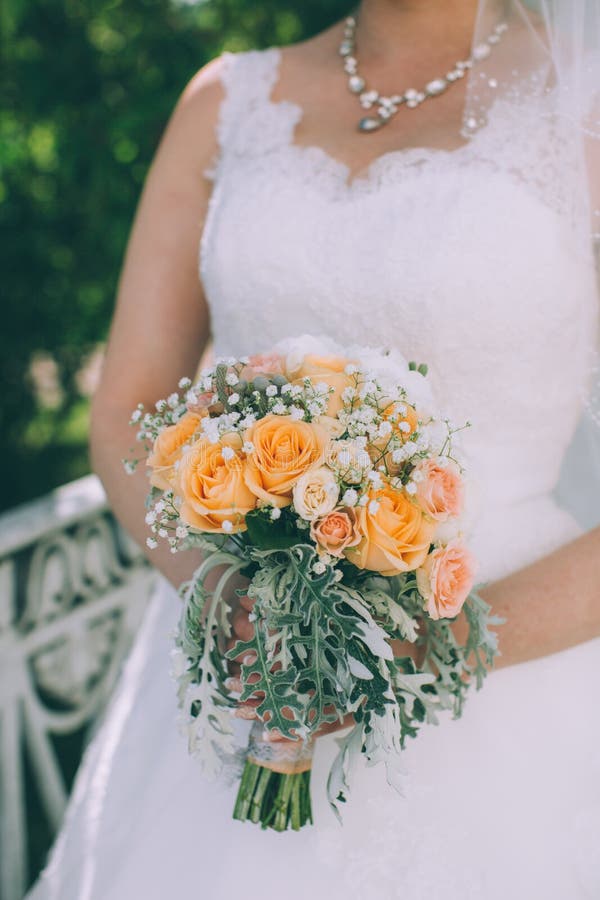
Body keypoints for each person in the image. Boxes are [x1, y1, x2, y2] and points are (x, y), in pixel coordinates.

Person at [28, 1, 600, 897]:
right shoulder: (226, 101)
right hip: (240, 662)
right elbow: (128, 406)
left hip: (508, 657)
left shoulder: (585, 101)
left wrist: (428, 646)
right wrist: (219, 589)